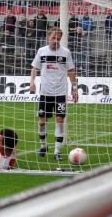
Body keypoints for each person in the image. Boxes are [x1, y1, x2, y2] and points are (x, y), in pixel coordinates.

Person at [30, 26, 78, 161]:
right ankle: (43, 146)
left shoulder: (66, 53)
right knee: (42, 121)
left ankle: (57, 150)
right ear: (48, 38)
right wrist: (32, 82)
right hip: (45, 92)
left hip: (60, 93)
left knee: (60, 120)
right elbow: (34, 68)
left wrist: (74, 88)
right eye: (53, 38)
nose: (55, 41)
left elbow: (71, 71)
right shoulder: (42, 51)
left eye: (58, 39)